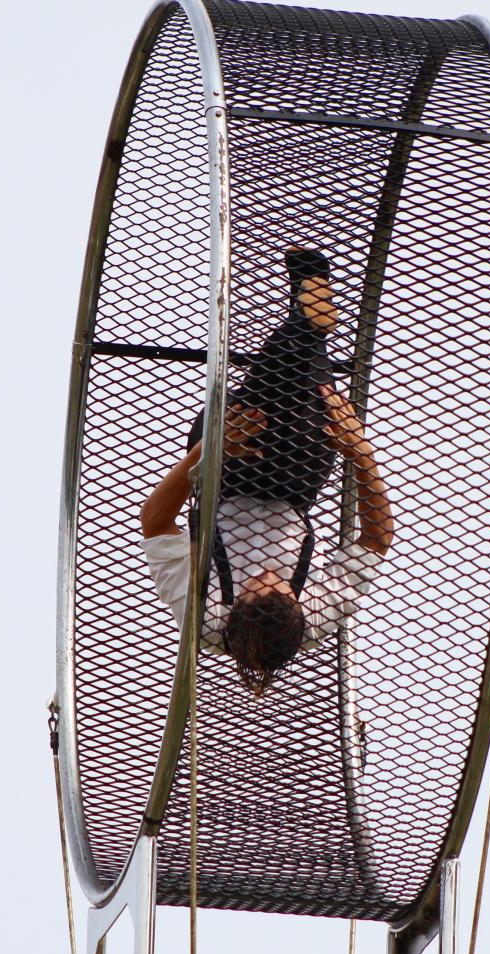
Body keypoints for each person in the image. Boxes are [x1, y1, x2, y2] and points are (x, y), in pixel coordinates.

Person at [140, 249, 394, 695]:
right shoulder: (315, 618)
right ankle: (309, 315)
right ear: (297, 604)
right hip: (295, 479)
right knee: (304, 389)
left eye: (252, 588)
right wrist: (360, 451)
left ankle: (310, 312)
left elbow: (155, 522)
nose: (265, 577)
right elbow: (376, 539)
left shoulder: (204, 619)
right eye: (278, 587)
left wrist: (206, 452)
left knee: (260, 400)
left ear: (233, 608)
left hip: (224, 473)